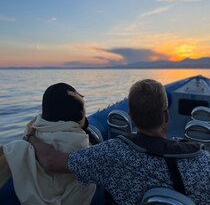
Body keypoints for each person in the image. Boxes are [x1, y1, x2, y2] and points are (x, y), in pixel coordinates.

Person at [27, 79, 210, 205]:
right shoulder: (203, 162)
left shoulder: (111, 153)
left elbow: (51, 161)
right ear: (166, 116)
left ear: (131, 116)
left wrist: (31, 136)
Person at [1, 83, 96, 205]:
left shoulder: (27, 140)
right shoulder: (82, 145)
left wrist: (30, 137)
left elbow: (49, 160)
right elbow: (51, 161)